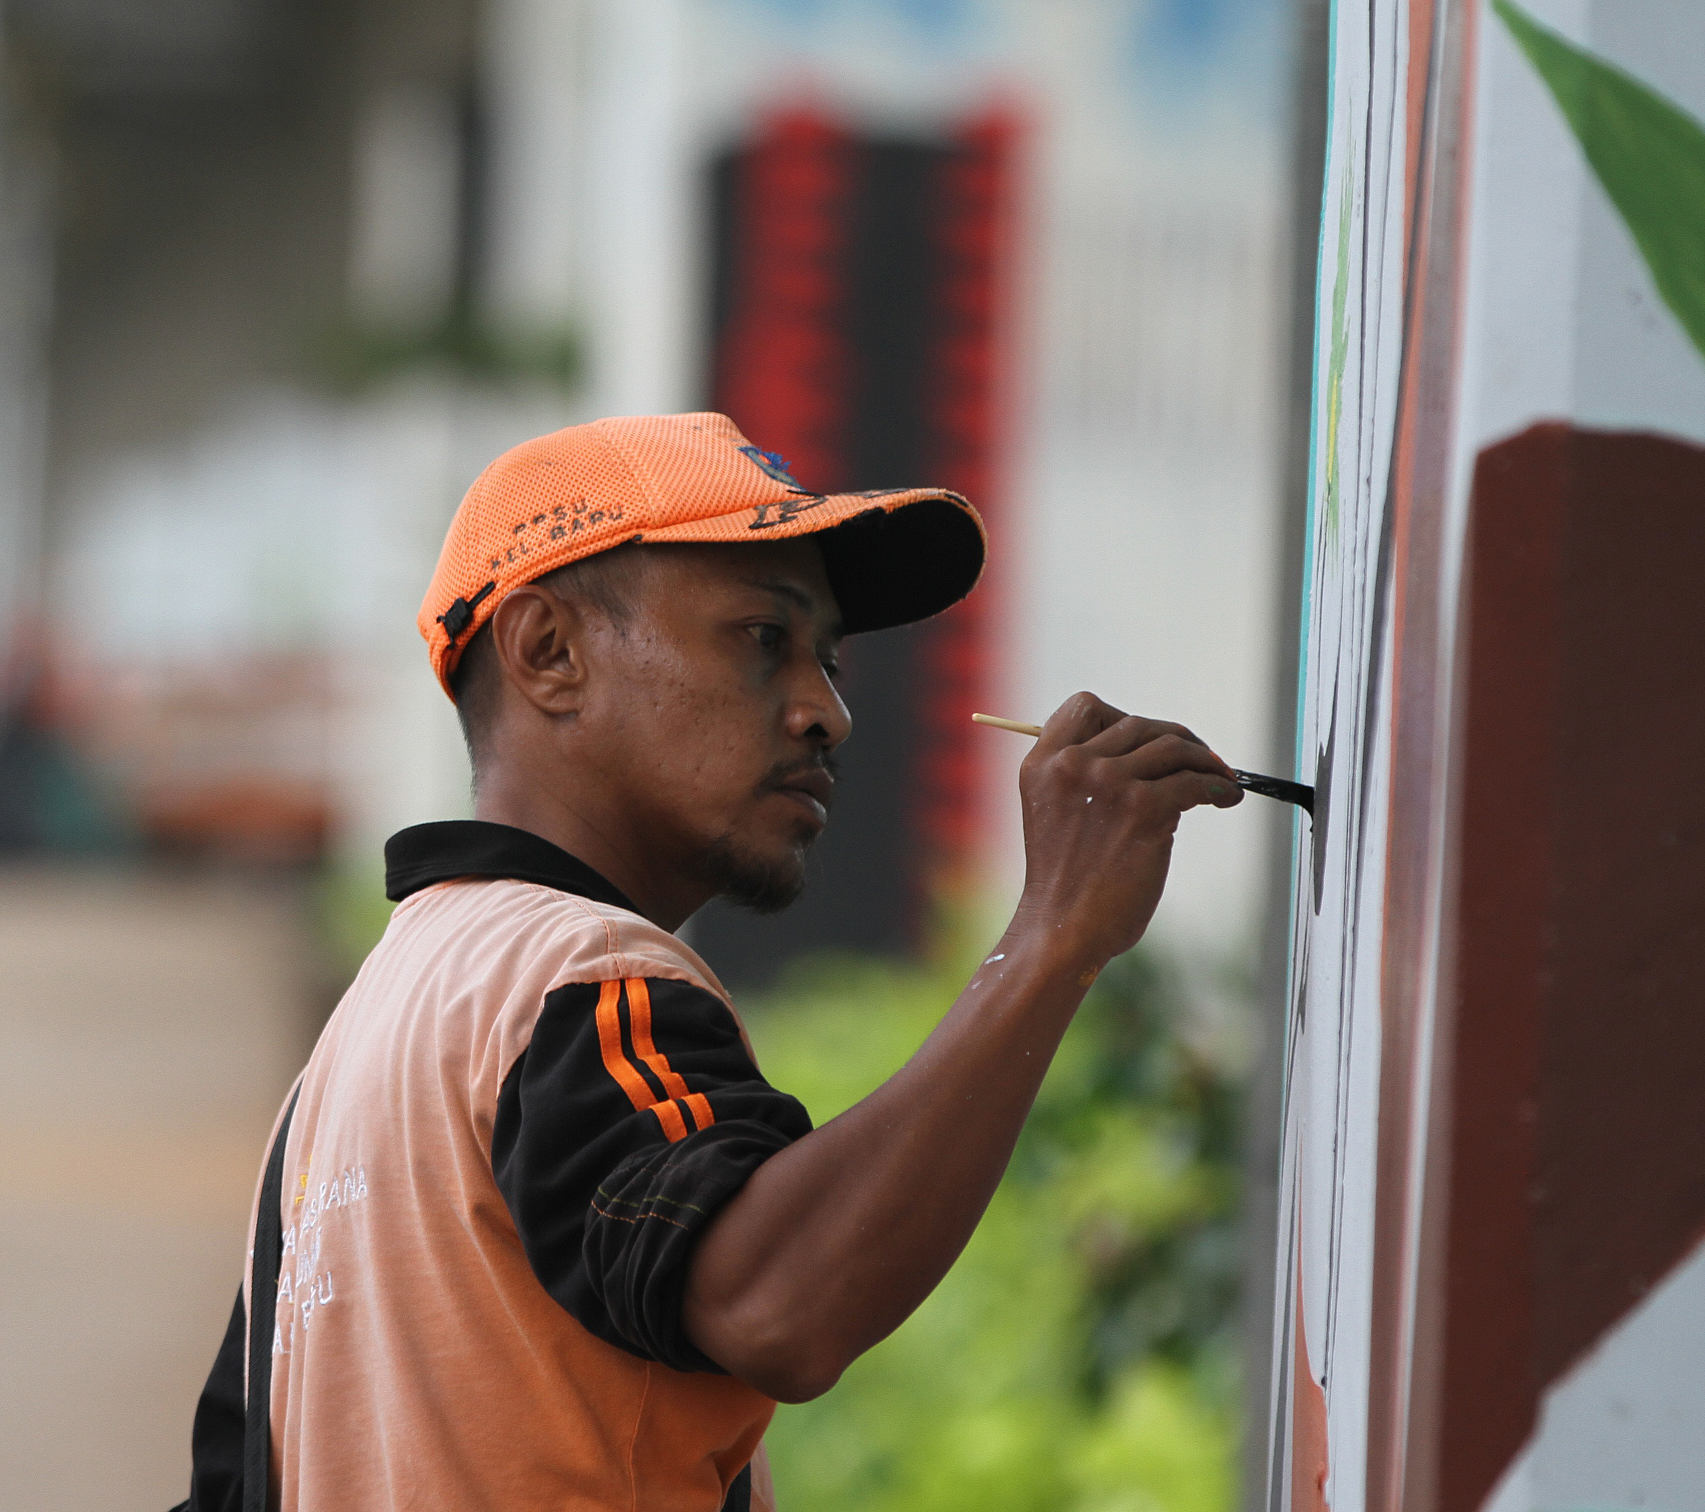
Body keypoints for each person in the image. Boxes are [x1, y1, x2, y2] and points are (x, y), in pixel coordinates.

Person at [172, 413, 1244, 1512]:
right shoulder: (579, 973)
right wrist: (1054, 935)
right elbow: (772, 1303)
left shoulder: (355, 1053)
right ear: (548, 653)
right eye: (759, 638)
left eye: (825, 657)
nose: (826, 712)